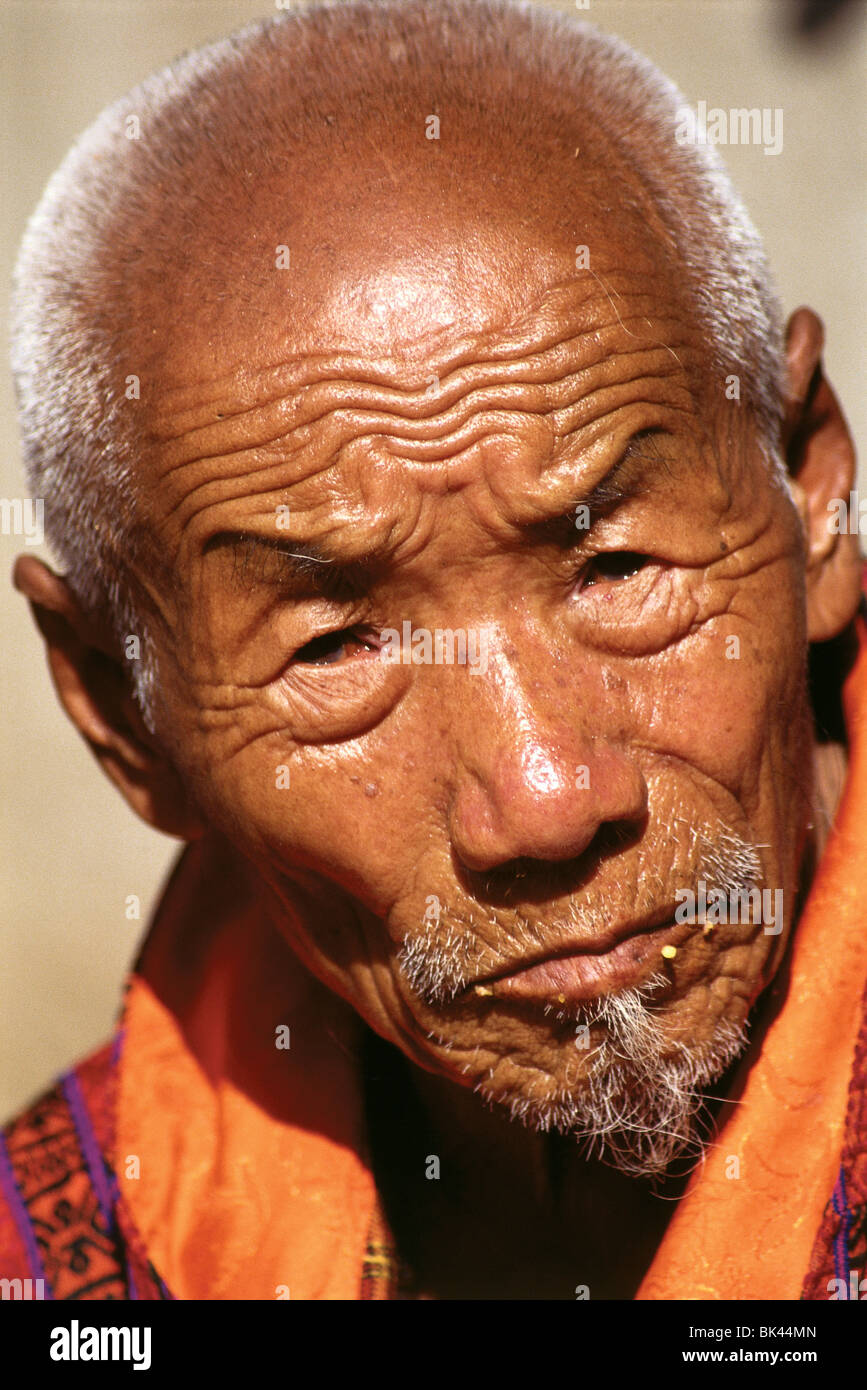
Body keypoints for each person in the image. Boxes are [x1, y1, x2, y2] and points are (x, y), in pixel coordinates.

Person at [2, 0, 865, 1300]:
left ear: (809, 497)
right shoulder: (74, 1268)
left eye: (619, 570)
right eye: (341, 647)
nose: (547, 797)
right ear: (128, 716)